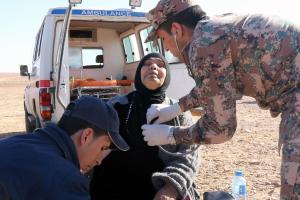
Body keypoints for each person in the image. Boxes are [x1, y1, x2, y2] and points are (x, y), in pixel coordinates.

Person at [141, 0, 300, 199]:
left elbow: (221, 129)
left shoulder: (202, 45)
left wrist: (172, 134)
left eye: (163, 39)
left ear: (176, 30)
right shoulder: (214, 31)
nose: (166, 49)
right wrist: (174, 109)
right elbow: (213, 87)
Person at [89, 53, 200, 200]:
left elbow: (188, 158)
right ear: (138, 73)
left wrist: (171, 189)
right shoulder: (115, 105)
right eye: (147, 64)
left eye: (160, 65)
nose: (153, 66)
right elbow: (92, 145)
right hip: (110, 184)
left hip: (156, 188)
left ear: (167, 75)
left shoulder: (178, 111)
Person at [0, 96, 129, 200]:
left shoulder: (21, 143)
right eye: (103, 147)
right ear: (86, 136)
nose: (99, 160)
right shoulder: (66, 180)